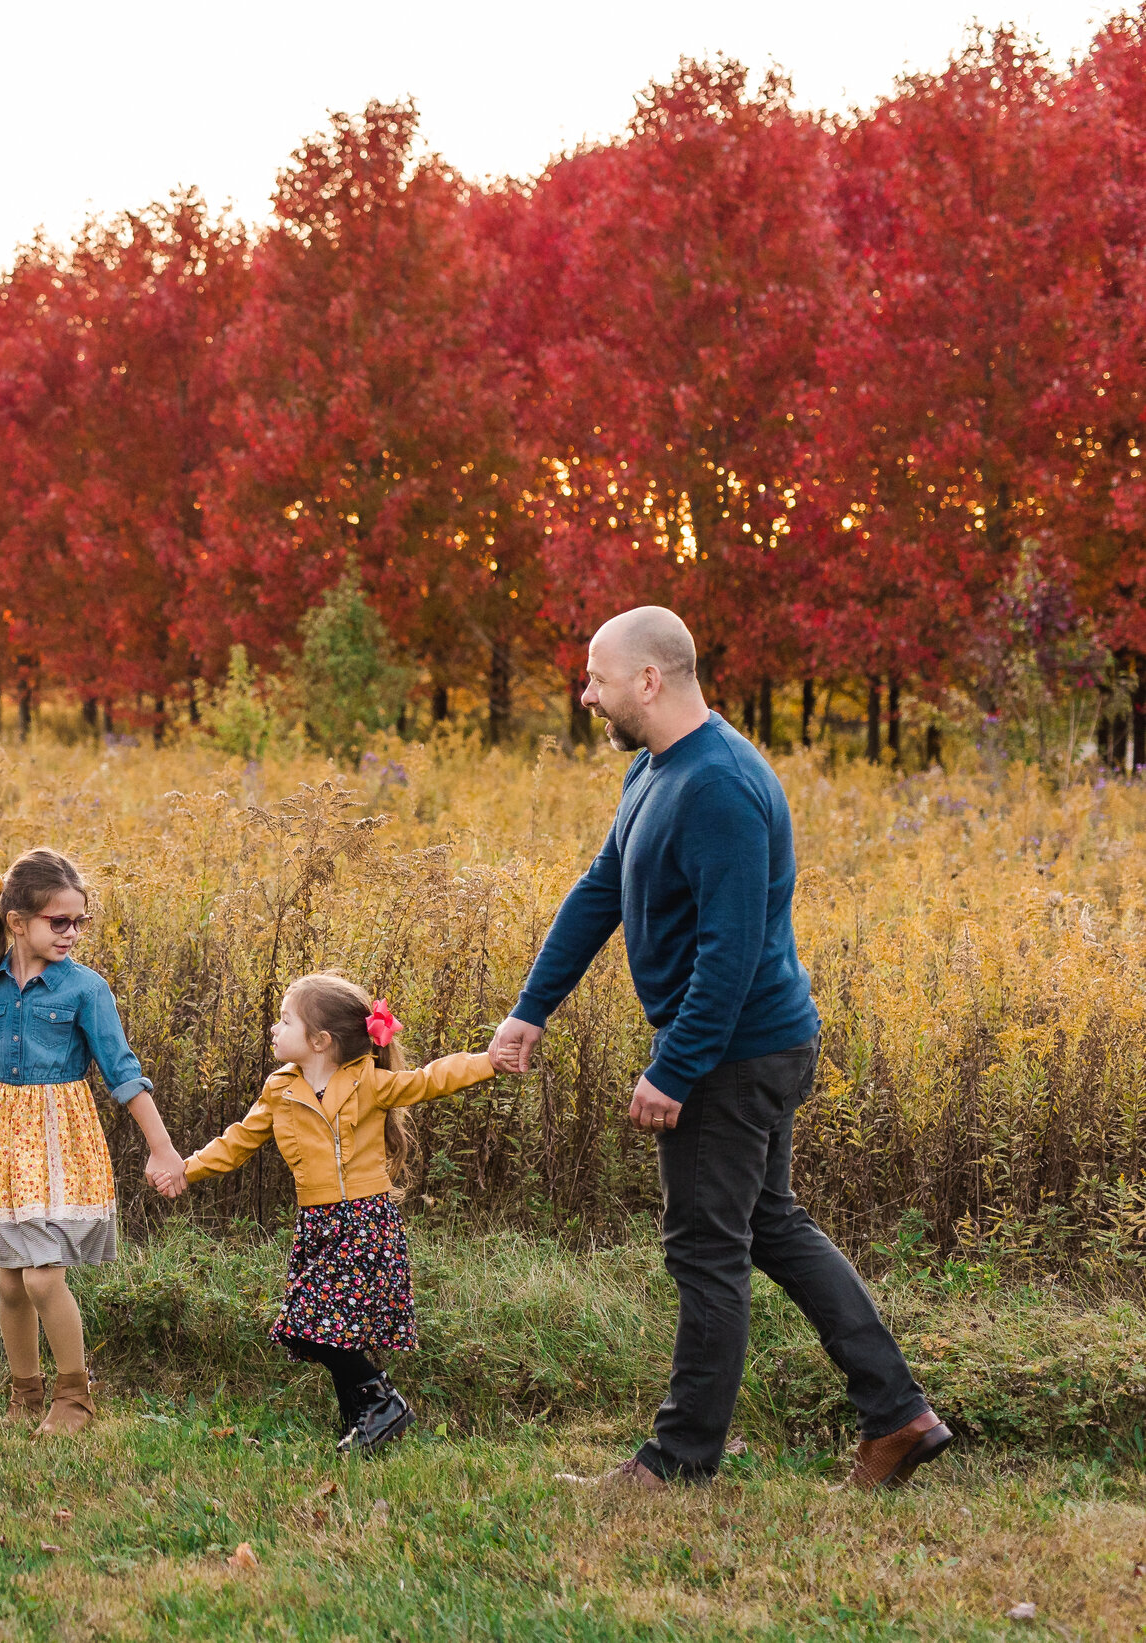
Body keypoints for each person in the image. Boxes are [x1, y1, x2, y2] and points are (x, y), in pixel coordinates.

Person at [490, 605, 947, 1490]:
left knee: (705, 1248)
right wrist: (530, 1007)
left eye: (597, 678)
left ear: (649, 681)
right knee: (769, 1225)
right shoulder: (656, 770)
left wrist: (675, 1067)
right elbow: (600, 891)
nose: (588, 695)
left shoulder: (722, 787)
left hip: (737, 1050)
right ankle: (899, 1416)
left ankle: (677, 1461)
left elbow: (730, 955)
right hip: (741, 1042)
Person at [0, 848, 186, 1437]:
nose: (72, 933)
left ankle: (74, 1397)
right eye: (60, 921)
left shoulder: (85, 989)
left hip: (62, 1139)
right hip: (4, 1138)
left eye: (79, 922)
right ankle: (24, 1395)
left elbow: (123, 1071)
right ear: (17, 920)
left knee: (44, 1275)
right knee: (9, 1280)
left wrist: (162, 1147)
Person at [176, 971, 509, 1454]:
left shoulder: (367, 1083)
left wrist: (490, 1062)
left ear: (319, 1040)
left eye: (285, 1020)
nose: (275, 1027)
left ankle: (383, 1406)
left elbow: (432, 1079)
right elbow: (239, 1141)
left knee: (316, 1323)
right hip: (317, 1223)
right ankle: (363, 1417)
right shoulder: (280, 1090)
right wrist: (186, 1171)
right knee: (324, 1328)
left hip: (363, 1220)